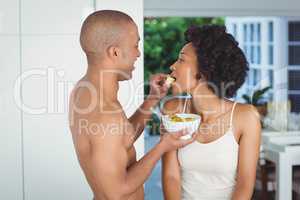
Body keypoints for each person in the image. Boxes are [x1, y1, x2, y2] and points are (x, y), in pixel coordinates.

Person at [68, 10, 195, 200]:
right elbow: (117, 191)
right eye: (135, 45)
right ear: (115, 52)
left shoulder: (85, 90)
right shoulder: (103, 112)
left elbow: (121, 139)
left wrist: (152, 99)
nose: (138, 53)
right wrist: (163, 146)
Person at [162, 25, 261, 200]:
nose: (172, 66)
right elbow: (171, 177)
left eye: (181, 60)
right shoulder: (173, 110)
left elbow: (245, 184)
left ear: (204, 71)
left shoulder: (246, 117)